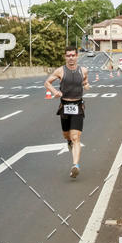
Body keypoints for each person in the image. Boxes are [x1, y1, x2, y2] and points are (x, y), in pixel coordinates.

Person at [45, 46, 89, 178]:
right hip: (65, 106)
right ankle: (69, 141)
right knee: (67, 135)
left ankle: (76, 165)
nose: (70, 58)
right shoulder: (60, 71)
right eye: (68, 55)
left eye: (73, 55)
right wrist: (55, 92)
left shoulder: (83, 70)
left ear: (77, 56)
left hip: (77, 105)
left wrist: (86, 85)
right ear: (65, 57)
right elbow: (47, 82)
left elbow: (85, 81)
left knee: (76, 137)